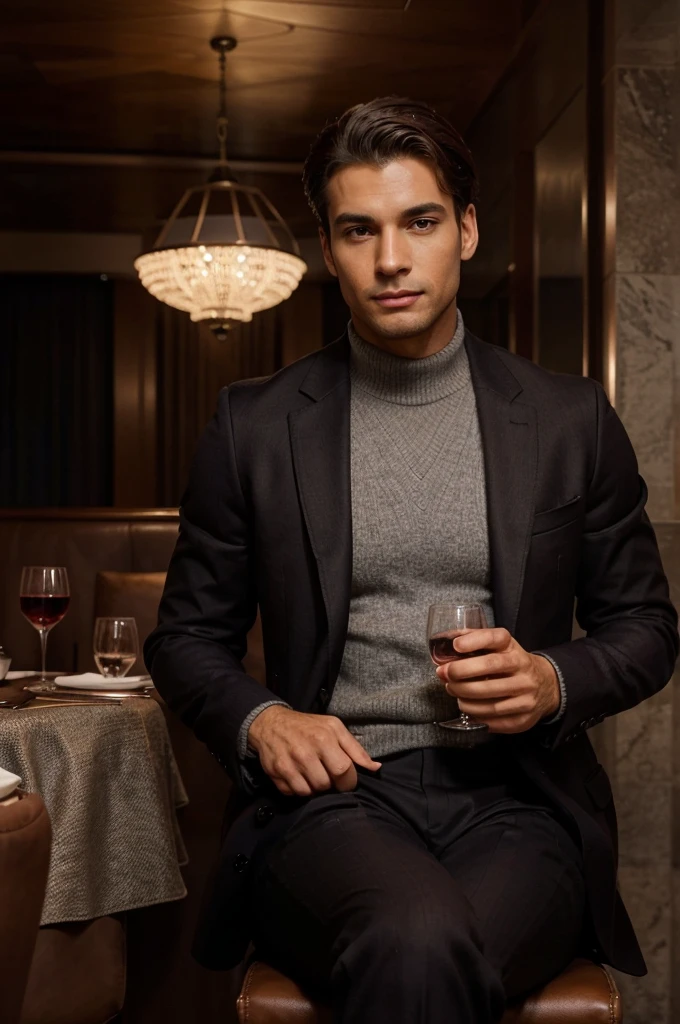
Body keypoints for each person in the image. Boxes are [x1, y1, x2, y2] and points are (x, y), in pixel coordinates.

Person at [144, 97, 679, 1022]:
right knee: (417, 939)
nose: (391, 258)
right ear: (327, 247)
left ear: (466, 230)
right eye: (360, 230)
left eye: (420, 222)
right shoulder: (256, 426)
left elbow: (647, 630)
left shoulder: (568, 419)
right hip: (333, 804)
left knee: (423, 948)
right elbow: (187, 639)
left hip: (522, 803)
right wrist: (264, 718)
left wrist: (553, 678)